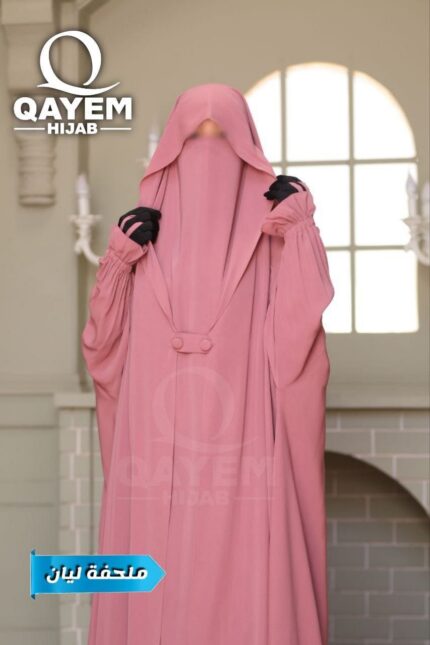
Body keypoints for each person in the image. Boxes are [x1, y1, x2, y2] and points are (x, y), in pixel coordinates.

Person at [81, 83, 335, 645]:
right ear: (173, 149)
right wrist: (118, 263)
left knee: (244, 572)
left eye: (222, 136)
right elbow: (103, 346)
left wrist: (301, 230)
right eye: (195, 136)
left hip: (245, 442)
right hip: (155, 442)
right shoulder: (141, 241)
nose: (208, 148)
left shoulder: (271, 238)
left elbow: (300, 332)